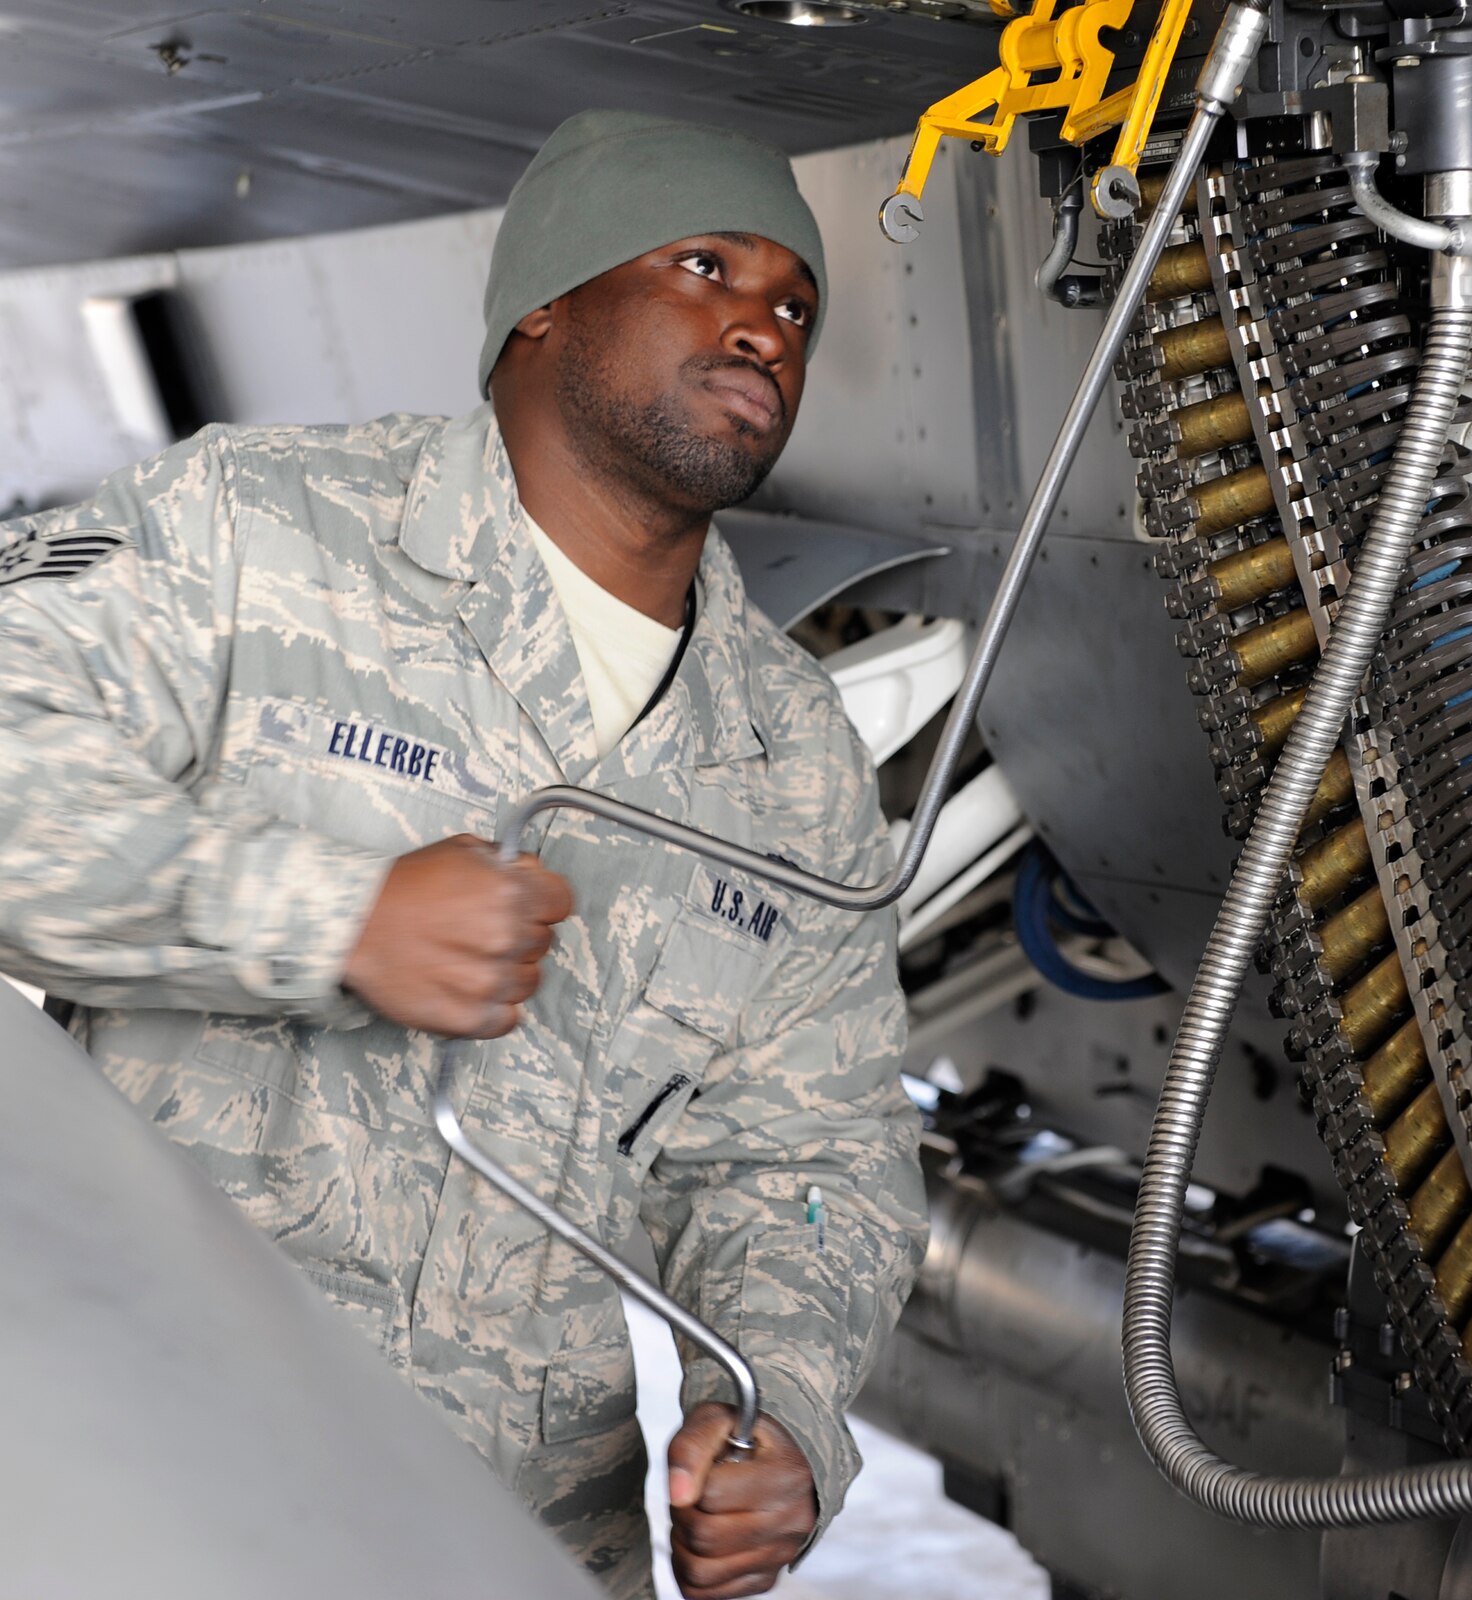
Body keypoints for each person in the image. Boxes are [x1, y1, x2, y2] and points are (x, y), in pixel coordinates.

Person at [0, 110, 925, 1600]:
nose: (764, 323)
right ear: (544, 303)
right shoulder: (256, 529)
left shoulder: (791, 753)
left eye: (794, 305)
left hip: (514, 1540)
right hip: (152, 1496)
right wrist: (331, 918)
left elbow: (815, 1153)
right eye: (707, 267)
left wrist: (777, 1411)